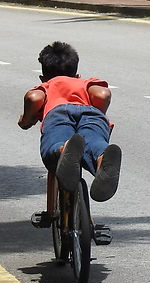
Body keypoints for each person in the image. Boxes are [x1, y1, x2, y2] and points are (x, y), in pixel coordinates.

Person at [18, 41, 122, 205]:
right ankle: (102, 159)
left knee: (54, 143)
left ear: (43, 76)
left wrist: (26, 120)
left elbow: (34, 98)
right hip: (91, 114)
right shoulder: (85, 83)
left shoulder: (47, 85)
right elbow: (103, 94)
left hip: (58, 113)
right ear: (77, 75)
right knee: (94, 143)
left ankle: (64, 150)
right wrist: (98, 115)